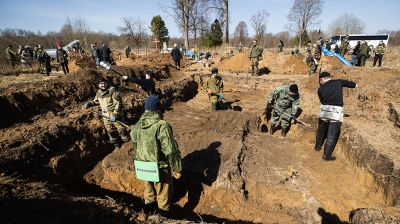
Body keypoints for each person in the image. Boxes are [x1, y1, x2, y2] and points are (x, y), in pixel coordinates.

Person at [131, 96, 182, 218]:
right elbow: (170, 150)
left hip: (142, 165)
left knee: (148, 192)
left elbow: (135, 144)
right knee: (163, 193)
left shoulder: (137, 125)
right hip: (159, 167)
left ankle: (147, 215)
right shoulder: (161, 125)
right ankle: (163, 217)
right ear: (158, 109)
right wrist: (176, 168)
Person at [315, 71, 357, 161]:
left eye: (320, 80)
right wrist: (356, 85)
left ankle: (317, 147)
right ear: (329, 77)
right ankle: (326, 156)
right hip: (336, 112)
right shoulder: (338, 82)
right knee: (331, 135)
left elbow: (322, 100)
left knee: (321, 130)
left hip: (324, 111)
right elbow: (351, 84)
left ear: (322, 79)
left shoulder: (320, 89)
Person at [82, 77, 130, 149]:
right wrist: (89, 103)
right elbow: (96, 101)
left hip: (115, 115)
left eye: (104, 83)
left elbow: (118, 103)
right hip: (106, 116)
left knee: (122, 130)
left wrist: (115, 114)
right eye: (101, 84)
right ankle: (116, 146)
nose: (103, 85)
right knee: (111, 131)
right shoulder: (98, 92)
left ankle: (127, 146)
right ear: (98, 85)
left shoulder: (112, 90)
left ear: (107, 83)